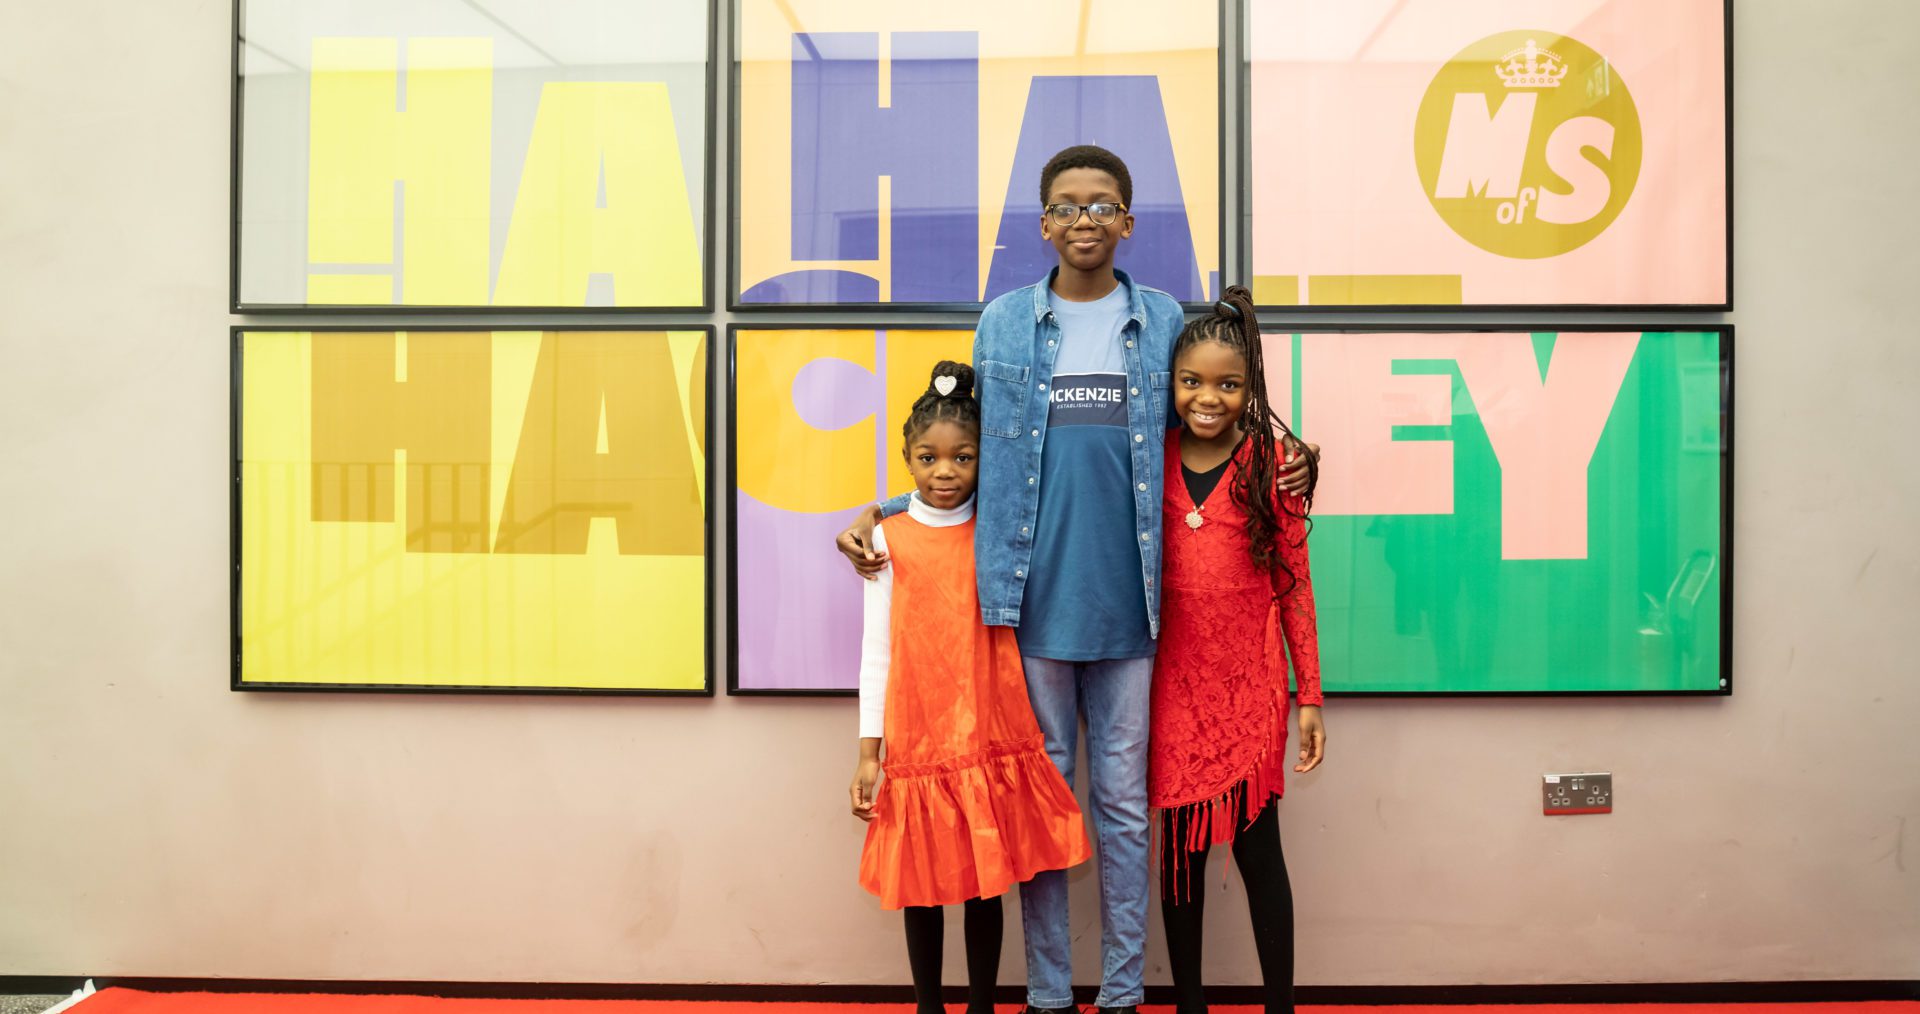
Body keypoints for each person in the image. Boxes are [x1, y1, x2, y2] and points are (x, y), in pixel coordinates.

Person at [838, 146, 1317, 1014]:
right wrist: (881, 509)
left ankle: (1126, 993)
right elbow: (964, 453)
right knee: (1047, 809)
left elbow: (1213, 412)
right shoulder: (1004, 325)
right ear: (1044, 223)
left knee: (1126, 810)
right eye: (1067, 205)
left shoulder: (1163, 318)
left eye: (1103, 205)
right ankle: (1052, 994)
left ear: (1127, 222)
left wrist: (1290, 461)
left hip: (1136, 609)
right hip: (1027, 609)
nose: (1085, 217)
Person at [849, 361, 1091, 1014]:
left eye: (962, 456)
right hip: (919, 734)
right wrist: (870, 750)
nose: (945, 471)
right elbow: (877, 649)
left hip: (989, 727)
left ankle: (983, 1005)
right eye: (928, 458)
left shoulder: (999, 532)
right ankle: (930, 1006)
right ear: (907, 459)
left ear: (984, 458)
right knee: (922, 883)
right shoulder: (886, 539)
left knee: (987, 880)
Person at [1151, 287, 1326, 1014]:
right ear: (1170, 383)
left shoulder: (1273, 463)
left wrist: (1309, 696)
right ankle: (1189, 1004)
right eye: (1192, 381)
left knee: (1260, 856)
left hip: (1251, 691)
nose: (1208, 397)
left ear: (1250, 387)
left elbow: (1295, 587)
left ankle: (1280, 1006)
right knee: (1183, 861)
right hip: (1168, 691)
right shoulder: (1145, 459)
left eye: (1228, 384)